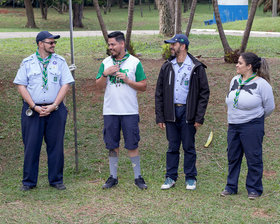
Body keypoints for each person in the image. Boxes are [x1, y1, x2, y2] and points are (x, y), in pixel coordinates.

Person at [14, 31, 74, 191]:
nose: (54, 45)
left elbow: (66, 84)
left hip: (55, 110)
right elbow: (21, 85)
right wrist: (33, 105)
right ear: (40, 44)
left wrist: (54, 105)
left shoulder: (60, 61)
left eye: (54, 43)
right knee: (31, 146)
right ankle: (28, 182)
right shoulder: (28, 62)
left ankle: (56, 180)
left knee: (56, 146)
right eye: (50, 42)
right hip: (33, 110)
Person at [155, 34, 210, 190]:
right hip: (171, 111)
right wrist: (160, 116)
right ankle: (170, 177)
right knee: (172, 146)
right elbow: (159, 92)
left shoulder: (196, 67)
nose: (171, 47)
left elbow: (204, 93)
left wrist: (199, 117)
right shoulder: (167, 66)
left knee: (188, 146)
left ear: (183, 46)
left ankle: (190, 178)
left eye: (174, 44)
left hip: (188, 112)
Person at [96, 31, 148, 190]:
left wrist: (127, 80)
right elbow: (98, 86)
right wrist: (106, 73)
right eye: (109, 44)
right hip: (110, 110)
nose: (110, 47)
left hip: (129, 111)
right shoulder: (106, 62)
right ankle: (113, 177)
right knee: (112, 145)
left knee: (132, 144)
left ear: (122, 44)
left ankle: (138, 177)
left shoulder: (134, 62)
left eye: (113, 44)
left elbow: (144, 86)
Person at [221, 52, 275, 199]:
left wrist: (254, 119)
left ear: (249, 66)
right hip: (233, 125)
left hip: (252, 126)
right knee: (233, 157)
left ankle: (254, 189)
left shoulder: (262, 84)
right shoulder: (234, 80)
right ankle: (231, 186)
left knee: (253, 157)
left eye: (240, 63)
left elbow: (269, 107)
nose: (236, 65)